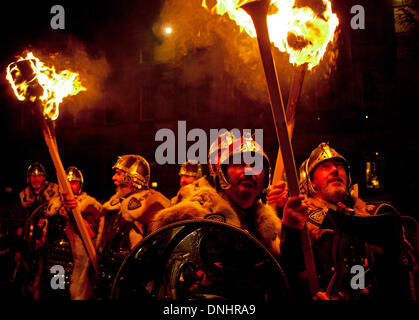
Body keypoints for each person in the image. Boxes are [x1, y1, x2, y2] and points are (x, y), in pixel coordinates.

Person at [281, 142, 419, 299]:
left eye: (339, 166)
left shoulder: (373, 217)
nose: (334, 170)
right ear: (311, 182)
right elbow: (288, 280)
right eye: (325, 166)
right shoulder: (299, 222)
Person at [151, 133, 295, 257]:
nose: (248, 171)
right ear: (221, 173)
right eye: (239, 163)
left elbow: (287, 273)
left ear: (265, 179)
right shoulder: (195, 212)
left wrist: (290, 226)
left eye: (255, 165)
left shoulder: (264, 224)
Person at [95, 154, 170, 299]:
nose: (113, 178)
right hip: (106, 285)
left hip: (133, 290)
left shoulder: (153, 206)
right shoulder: (114, 206)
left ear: (132, 178)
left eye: (118, 174)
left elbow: (156, 256)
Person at [40, 166, 103, 300]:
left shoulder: (88, 205)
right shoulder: (53, 204)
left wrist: (73, 214)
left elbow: (90, 233)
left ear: (80, 185)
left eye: (73, 183)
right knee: (55, 294)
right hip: (54, 261)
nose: (69, 186)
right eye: (66, 183)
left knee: (73, 295)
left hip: (76, 264)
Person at [16, 162, 59, 298]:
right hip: (31, 245)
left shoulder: (54, 191)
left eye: (39, 176)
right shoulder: (24, 196)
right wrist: (19, 247)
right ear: (28, 179)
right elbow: (20, 224)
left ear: (44, 178)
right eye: (32, 176)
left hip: (52, 241)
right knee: (28, 277)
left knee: (55, 277)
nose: (35, 179)